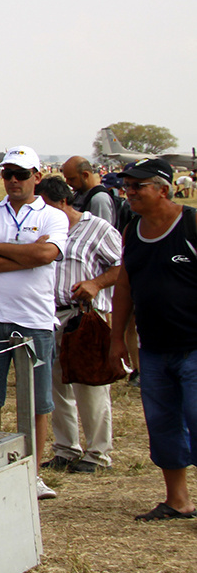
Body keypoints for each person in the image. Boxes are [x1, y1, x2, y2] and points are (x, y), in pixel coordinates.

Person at [0, 146, 69, 500]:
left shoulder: (55, 217)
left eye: (21, 174)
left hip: (35, 320)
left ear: (37, 177)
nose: (12, 181)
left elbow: (46, 254)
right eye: (7, 174)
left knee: (36, 403)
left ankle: (32, 475)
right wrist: (24, 256)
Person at [108, 158, 197, 521]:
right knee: (162, 426)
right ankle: (178, 501)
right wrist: (116, 340)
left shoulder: (191, 223)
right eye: (126, 186)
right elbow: (125, 285)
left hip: (193, 346)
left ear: (164, 189)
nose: (129, 193)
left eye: (137, 186)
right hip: (154, 350)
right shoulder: (132, 230)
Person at [35, 177, 121, 474]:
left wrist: (96, 284)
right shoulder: (43, 230)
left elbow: (122, 265)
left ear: (61, 202)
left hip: (82, 316)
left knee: (90, 385)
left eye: (44, 205)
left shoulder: (97, 229)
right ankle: (65, 448)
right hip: (49, 315)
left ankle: (98, 452)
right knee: (55, 385)